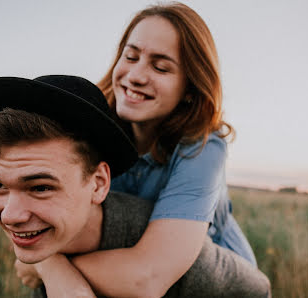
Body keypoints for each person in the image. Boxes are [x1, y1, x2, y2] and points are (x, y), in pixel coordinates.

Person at [0, 75, 271, 297]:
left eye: (40, 188)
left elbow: (258, 288)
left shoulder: (181, 254)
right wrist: (51, 267)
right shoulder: (44, 239)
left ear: (100, 184)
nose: (10, 215)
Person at [40, 2, 257, 297]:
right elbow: (37, 207)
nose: (136, 75)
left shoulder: (204, 146)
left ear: (190, 90)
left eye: (160, 67)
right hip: (123, 261)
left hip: (214, 281)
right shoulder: (90, 126)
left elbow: (148, 278)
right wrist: (48, 264)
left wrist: (57, 269)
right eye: (130, 57)